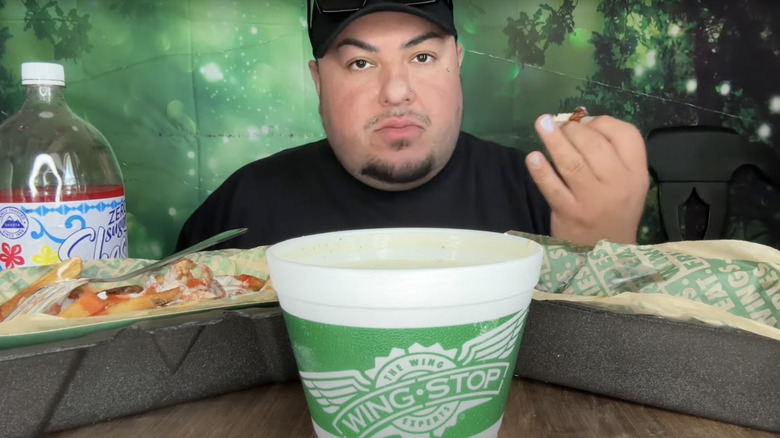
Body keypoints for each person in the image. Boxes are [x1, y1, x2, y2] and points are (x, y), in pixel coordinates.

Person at [176, 0, 649, 251]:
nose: (397, 91)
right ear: (319, 81)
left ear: (457, 64)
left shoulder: (553, 199)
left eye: (422, 57)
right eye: (361, 64)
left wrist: (607, 255)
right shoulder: (240, 210)